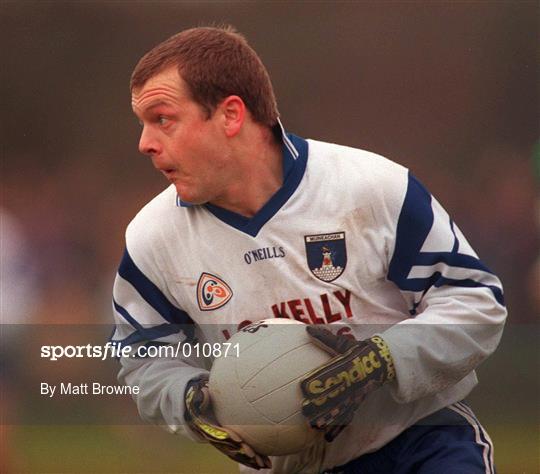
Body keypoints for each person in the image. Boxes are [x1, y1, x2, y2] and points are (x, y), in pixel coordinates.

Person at [111, 25, 506, 473]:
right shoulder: (152, 238)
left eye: (163, 119)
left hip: (420, 445)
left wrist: (382, 359)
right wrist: (191, 402)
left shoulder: (370, 187)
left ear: (230, 115)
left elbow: (476, 303)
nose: (145, 143)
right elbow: (143, 359)